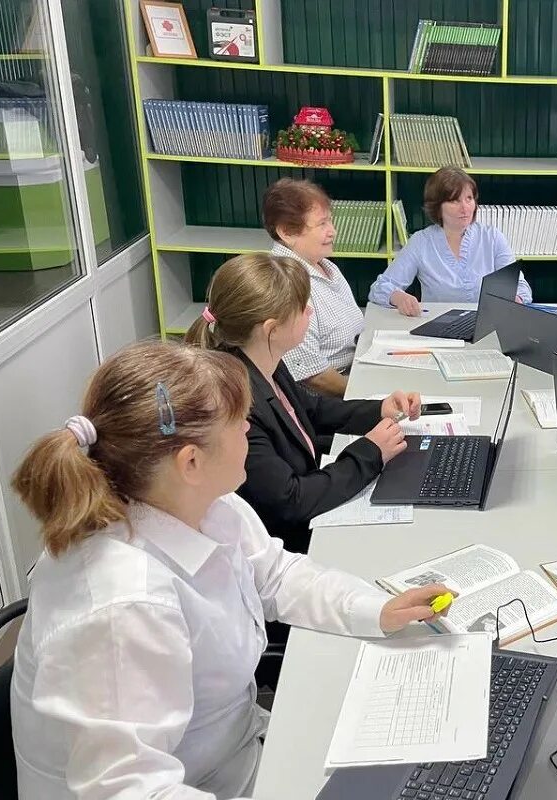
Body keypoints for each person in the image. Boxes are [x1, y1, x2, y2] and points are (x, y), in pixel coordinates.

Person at [9, 340, 450, 799]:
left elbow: (277, 576)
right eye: (240, 421)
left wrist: (376, 609)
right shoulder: (124, 604)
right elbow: (128, 791)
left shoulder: (206, 504)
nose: (249, 429)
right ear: (191, 462)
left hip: (235, 753)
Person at [184, 252, 420, 555]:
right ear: (272, 329)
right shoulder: (237, 409)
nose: (309, 311)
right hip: (289, 543)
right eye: (301, 307)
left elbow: (312, 409)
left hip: (308, 509)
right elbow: (291, 500)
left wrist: (379, 409)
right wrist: (371, 451)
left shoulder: (263, 361)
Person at [368, 166, 532, 315]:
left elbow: (521, 287)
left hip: (488, 324)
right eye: (455, 201)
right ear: (437, 206)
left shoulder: (493, 237)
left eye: (469, 198)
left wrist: (516, 299)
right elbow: (379, 288)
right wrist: (398, 297)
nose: (465, 207)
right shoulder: (421, 242)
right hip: (437, 328)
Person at [263, 177, 365, 397]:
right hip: (328, 398)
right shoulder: (285, 284)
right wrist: (368, 393)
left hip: (355, 372)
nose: (333, 231)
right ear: (286, 232)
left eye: (331, 221)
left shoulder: (325, 266)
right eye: (322, 224)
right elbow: (312, 375)